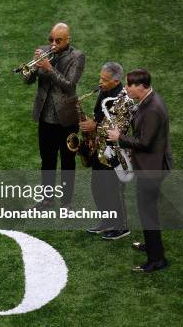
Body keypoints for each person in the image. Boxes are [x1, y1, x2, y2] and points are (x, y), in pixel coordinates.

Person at [108, 69, 173, 273]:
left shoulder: (153, 108)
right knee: (147, 210)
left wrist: (120, 138)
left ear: (141, 87)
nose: (126, 88)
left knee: (147, 213)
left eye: (129, 85)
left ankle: (157, 259)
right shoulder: (148, 101)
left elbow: (144, 142)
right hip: (150, 165)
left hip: (152, 169)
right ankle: (152, 245)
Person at [23, 23, 85, 209]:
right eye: (51, 39)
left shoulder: (77, 57)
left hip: (66, 119)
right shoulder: (43, 51)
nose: (53, 44)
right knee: (47, 161)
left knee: (67, 162)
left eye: (58, 40)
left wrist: (50, 68)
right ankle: (47, 199)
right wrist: (33, 69)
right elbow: (27, 80)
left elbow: (69, 84)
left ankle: (66, 202)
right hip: (45, 118)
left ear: (68, 40)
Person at [79, 62, 134, 239]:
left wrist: (94, 125)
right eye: (100, 78)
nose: (100, 82)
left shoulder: (125, 100)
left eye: (105, 79)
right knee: (97, 187)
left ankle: (121, 226)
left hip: (115, 153)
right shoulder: (104, 92)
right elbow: (98, 114)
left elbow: (118, 129)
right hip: (99, 149)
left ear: (116, 81)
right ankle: (107, 220)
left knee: (112, 190)